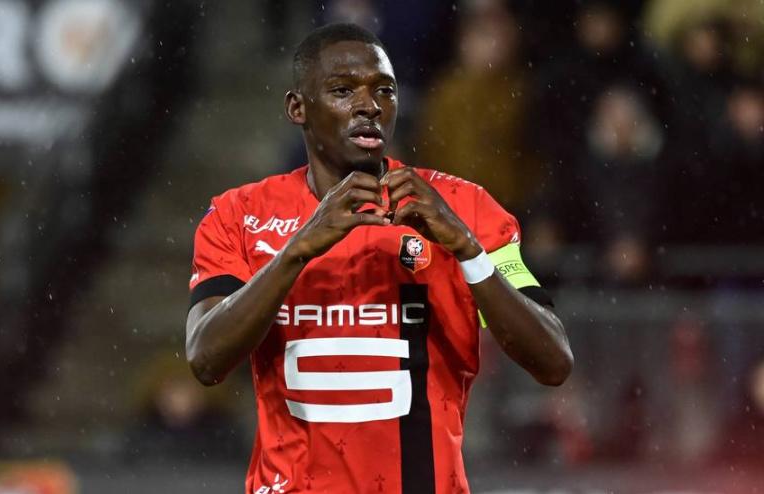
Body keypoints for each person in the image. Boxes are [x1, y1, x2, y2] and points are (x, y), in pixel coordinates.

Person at [185, 23, 572, 494]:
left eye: (384, 90)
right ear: (297, 108)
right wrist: (297, 251)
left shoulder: (466, 209)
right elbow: (206, 358)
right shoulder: (239, 215)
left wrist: (468, 251)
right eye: (343, 90)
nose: (369, 106)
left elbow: (553, 361)